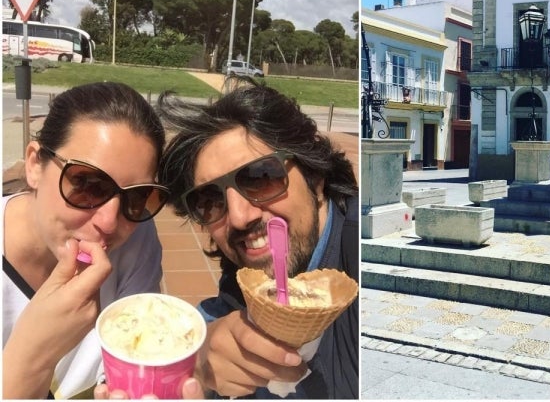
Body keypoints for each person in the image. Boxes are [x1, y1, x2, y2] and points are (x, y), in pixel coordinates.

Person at [156, 79, 359, 399]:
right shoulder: (243, 276)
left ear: (316, 178)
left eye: (261, 177)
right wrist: (199, 357)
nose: (239, 216)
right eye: (210, 200)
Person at [1, 82, 203, 399]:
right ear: (34, 166)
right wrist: (31, 358)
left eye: (137, 198)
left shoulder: (137, 239)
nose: (109, 222)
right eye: (88, 185)